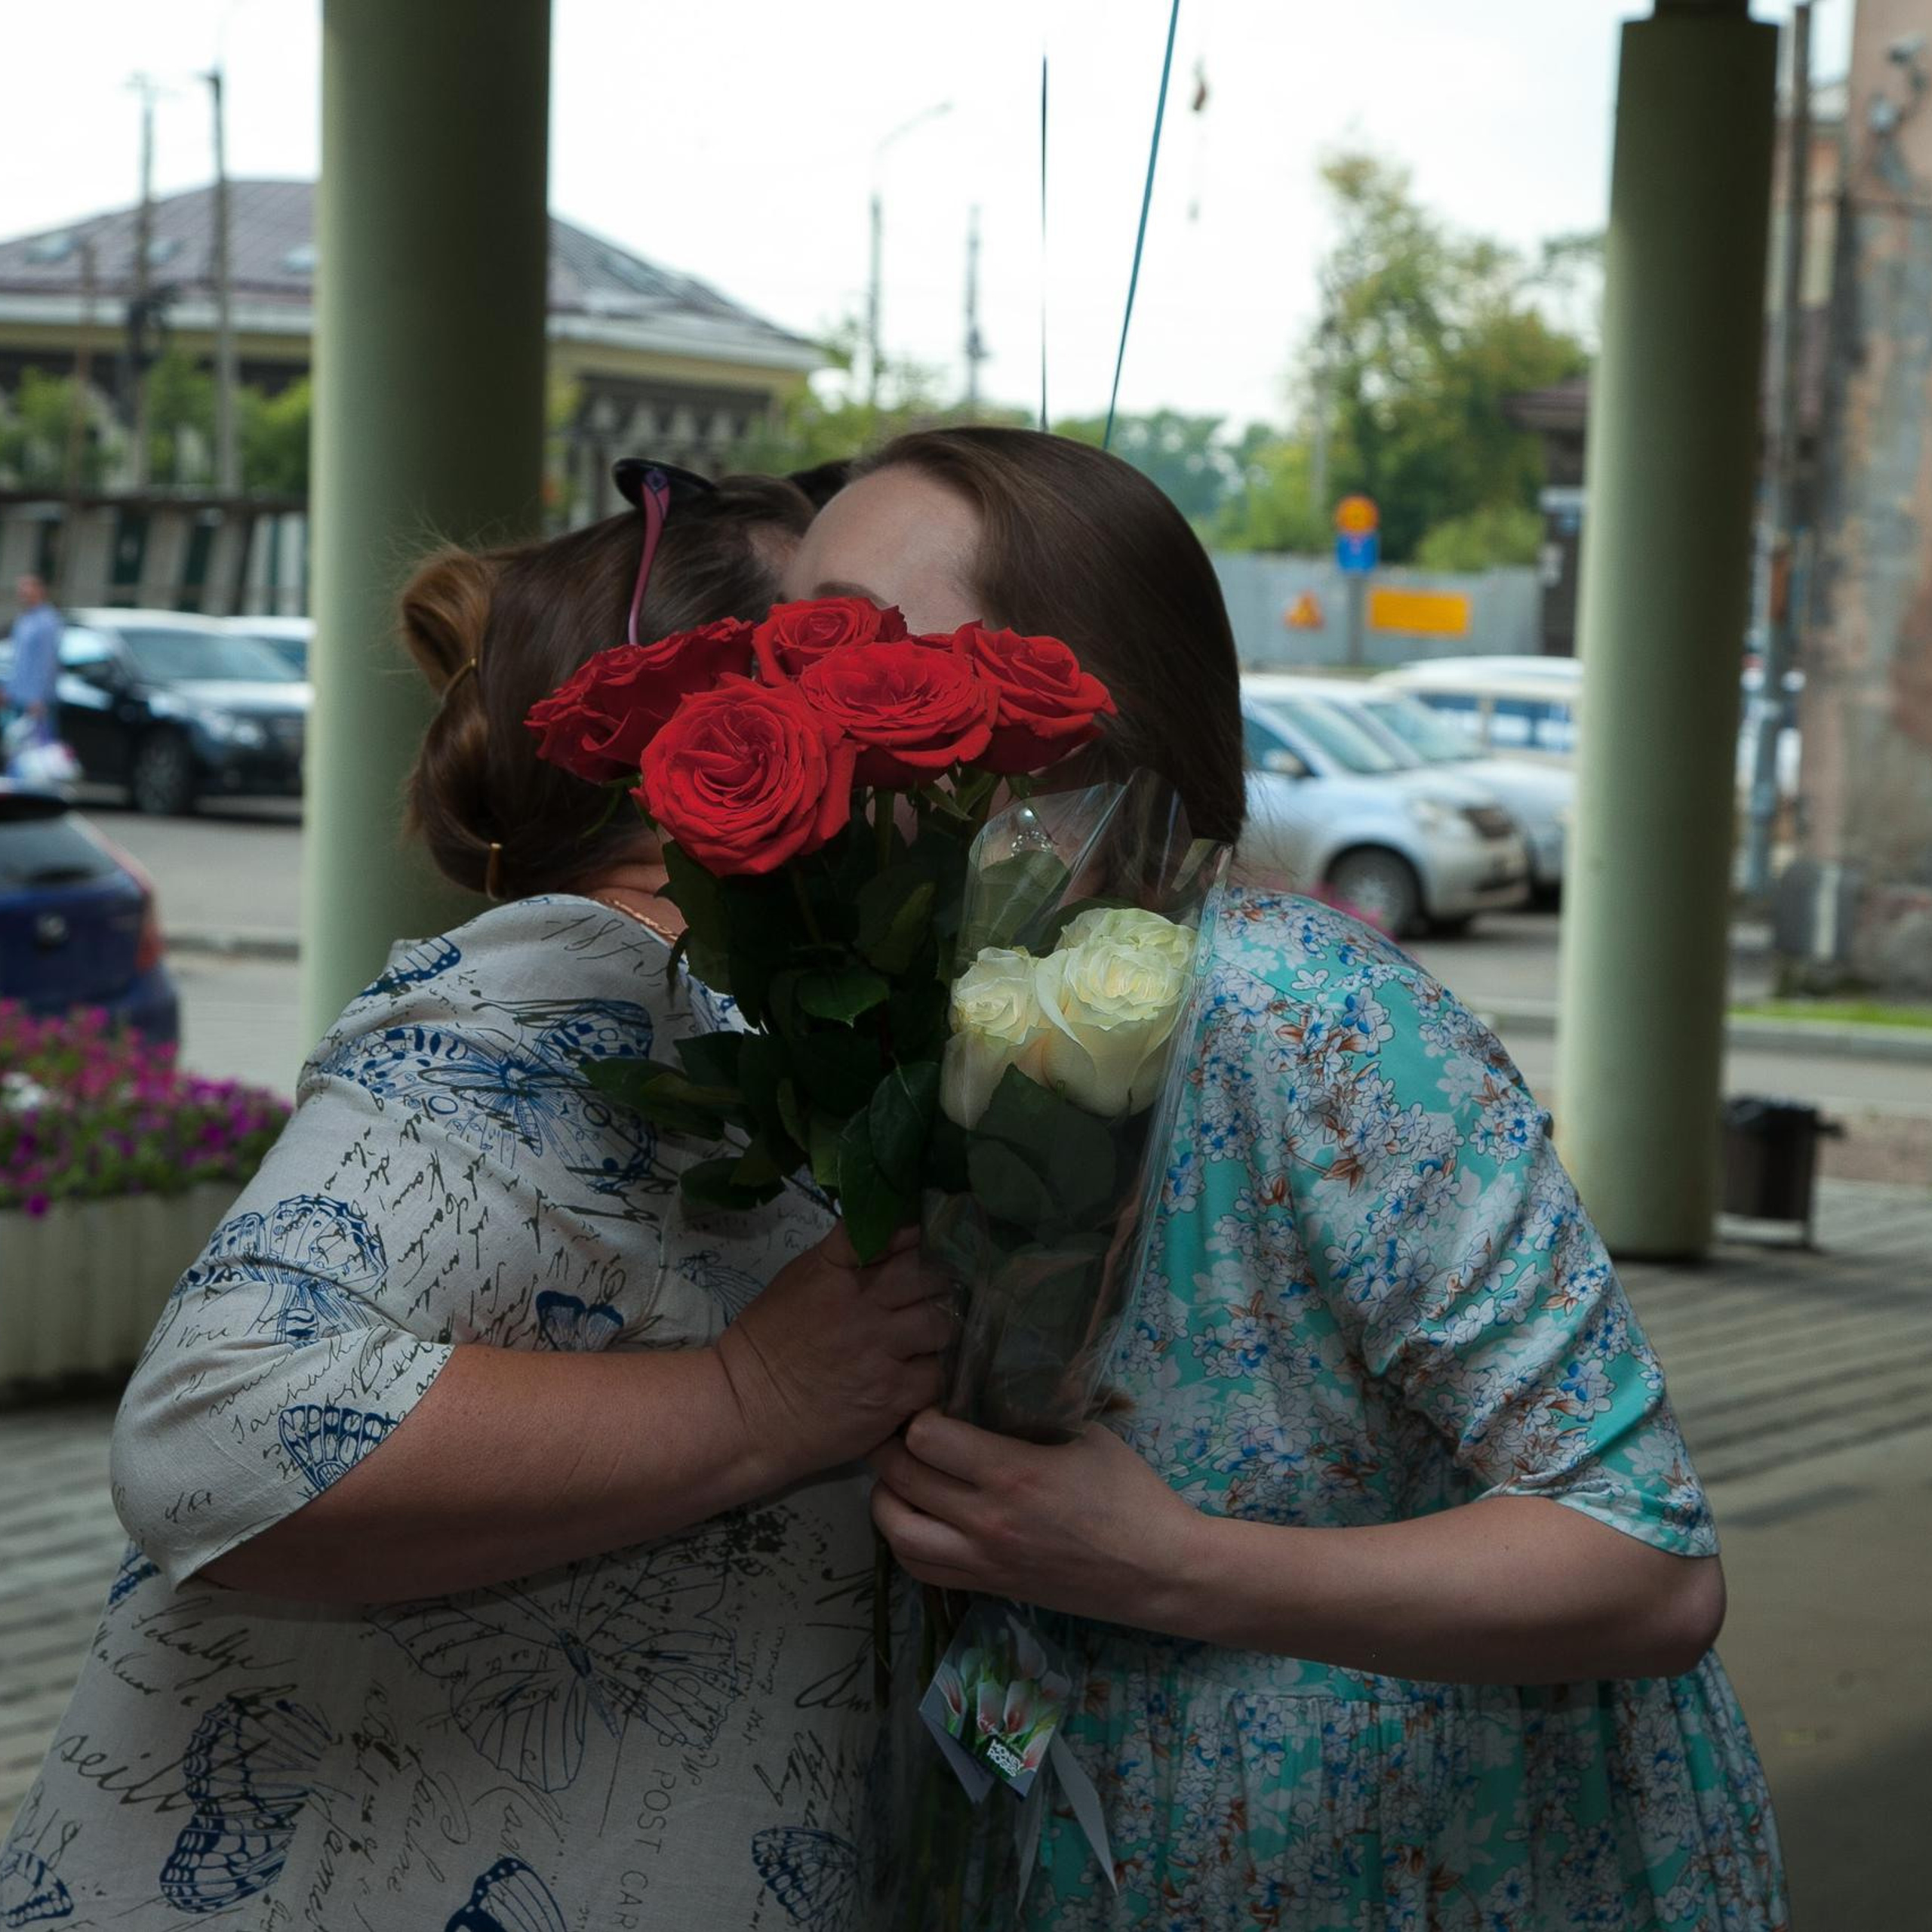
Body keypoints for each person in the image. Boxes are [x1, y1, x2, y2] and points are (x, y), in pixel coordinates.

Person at [798, 427, 1788, 1930]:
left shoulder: (1303, 1016)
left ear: (1068, 693)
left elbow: (1642, 1562)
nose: (796, 693)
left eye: (864, 645)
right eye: (780, 645)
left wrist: (1172, 1565)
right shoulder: (888, 1026)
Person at [0, 466, 955, 1930]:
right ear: (714, 724)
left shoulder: (750, 1009)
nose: (907, 694)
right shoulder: (571, 974)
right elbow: (212, 1430)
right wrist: (752, 1396)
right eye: (849, 646)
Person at [3, 572, 63, 754]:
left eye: (28, 588)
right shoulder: (24, 620)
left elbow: (47, 662)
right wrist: (8, 688)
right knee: (18, 748)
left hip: (37, 700)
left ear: (40, 591)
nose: (23, 593)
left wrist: (38, 697)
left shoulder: (48, 621)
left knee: (40, 751)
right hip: (18, 696)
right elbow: (17, 660)